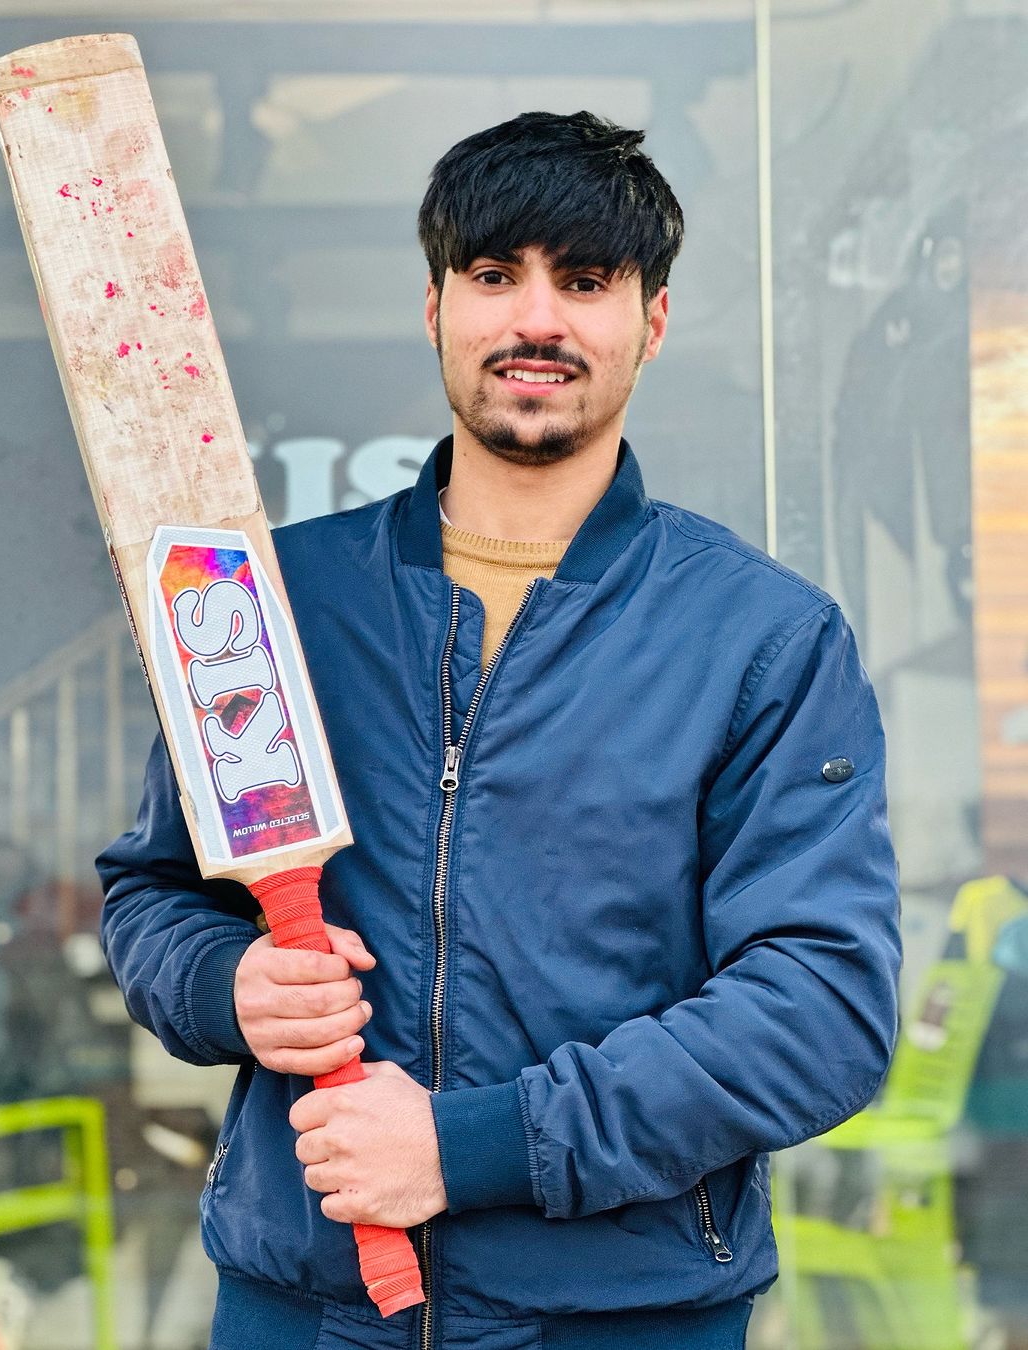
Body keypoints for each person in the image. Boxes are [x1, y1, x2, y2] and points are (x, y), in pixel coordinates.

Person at [98, 111, 901, 1350]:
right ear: (434, 308)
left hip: (618, 1319)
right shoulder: (271, 605)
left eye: (585, 281)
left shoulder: (762, 640)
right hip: (303, 1312)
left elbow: (819, 1010)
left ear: (654, 321)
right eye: (494, 275)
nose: (539, 319)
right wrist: (228, 984)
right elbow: (153, 895)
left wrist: (473, 1147)